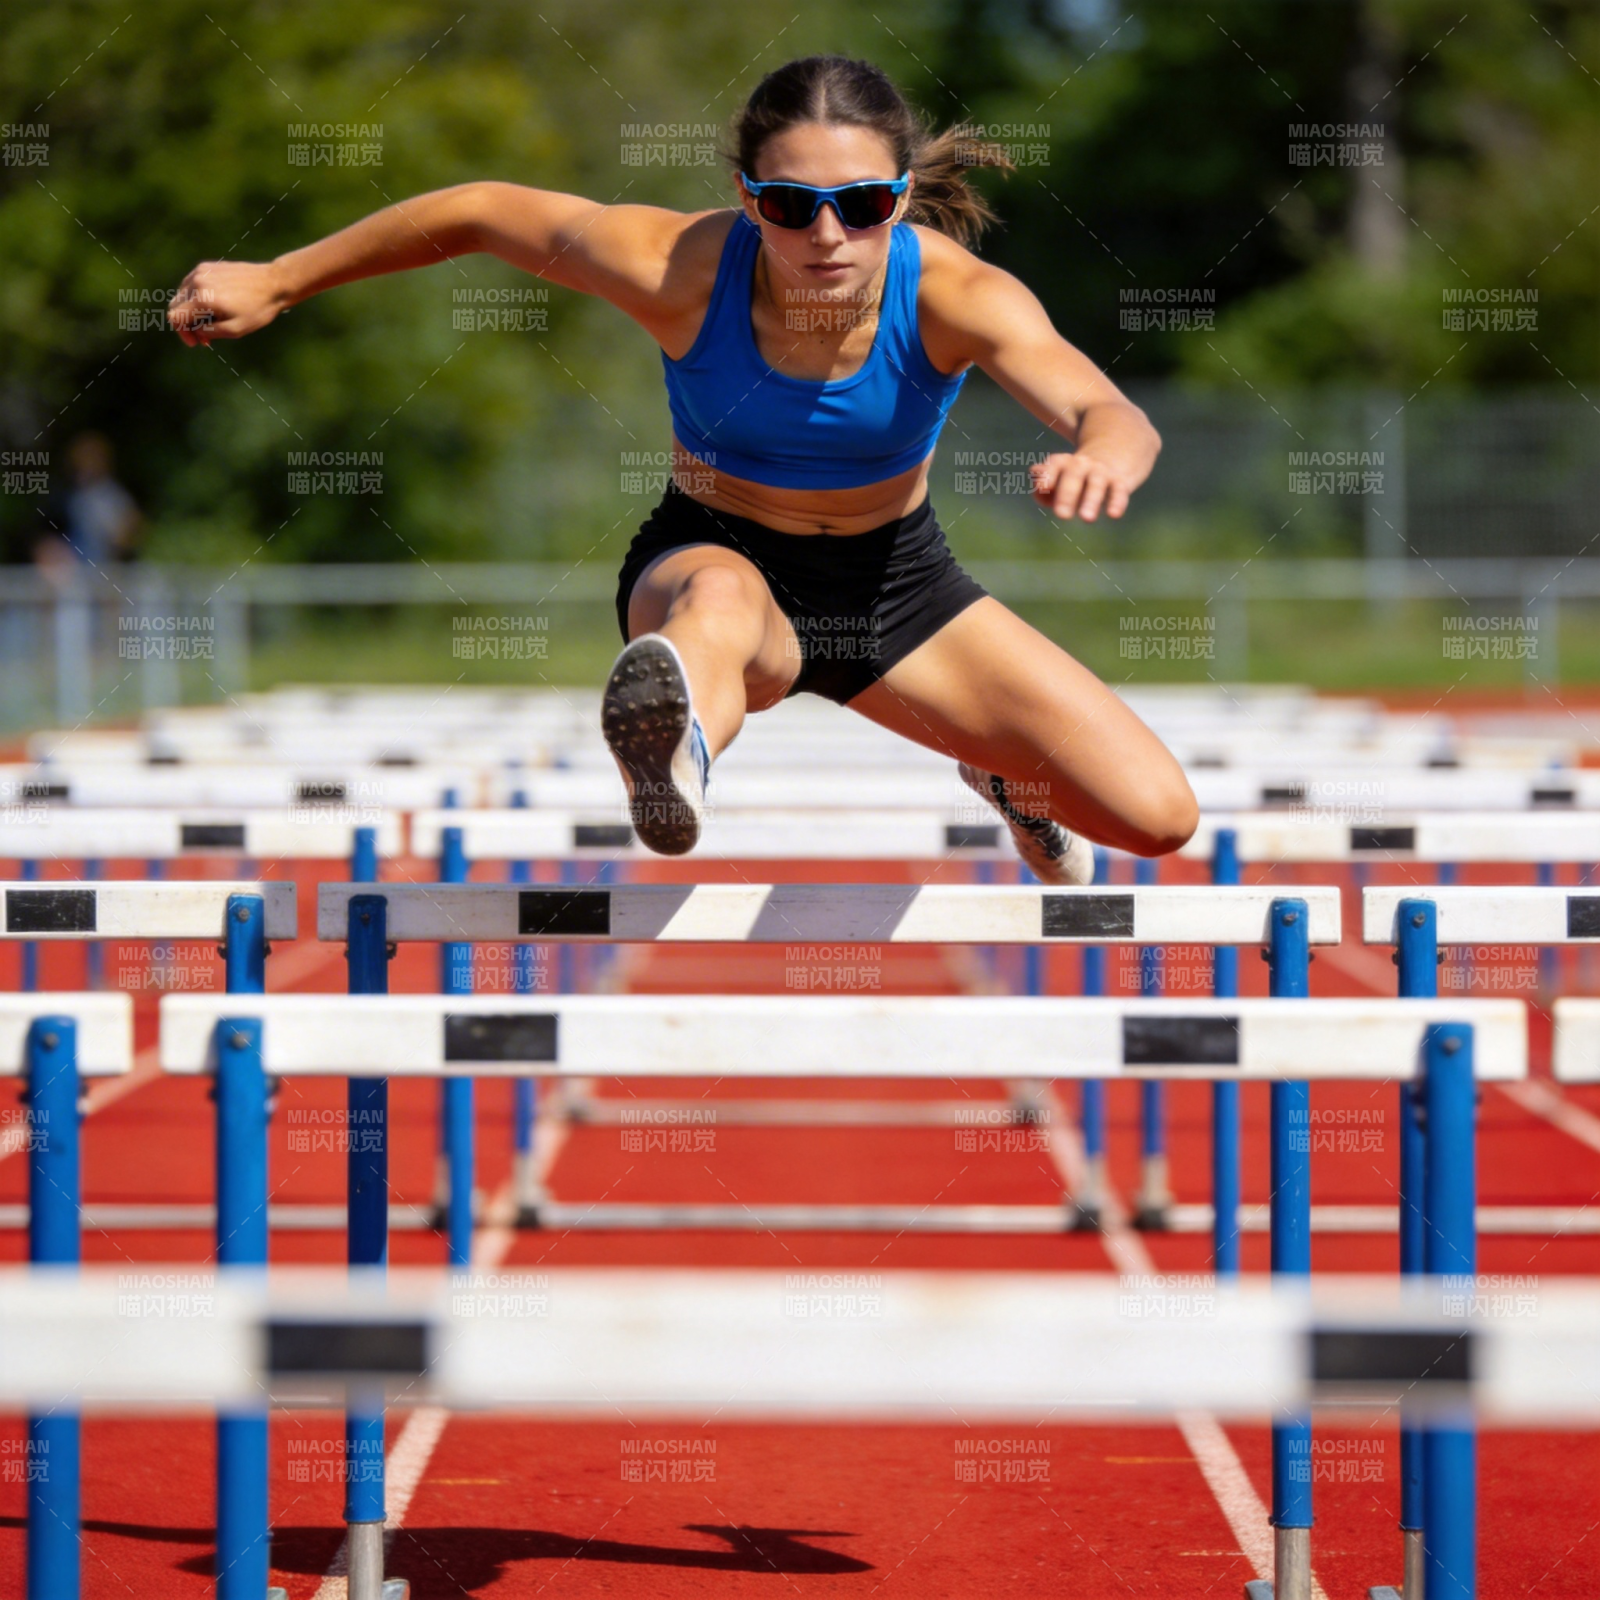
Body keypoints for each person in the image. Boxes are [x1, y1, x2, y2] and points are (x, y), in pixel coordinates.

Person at [168, 54, 1198, 882]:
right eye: (792, 206)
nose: (828, 235)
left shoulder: (958, 297)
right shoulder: (678, 268)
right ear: (748, 199)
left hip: (896, 586)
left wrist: (1103, 449)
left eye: (863, 203)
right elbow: (479, 209)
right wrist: (279, 279)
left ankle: (1011, 779)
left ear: (901, 195)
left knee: (1156, 817)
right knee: (718, 605)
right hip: (718, 549)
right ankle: (675, 758)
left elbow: (1106, 407)